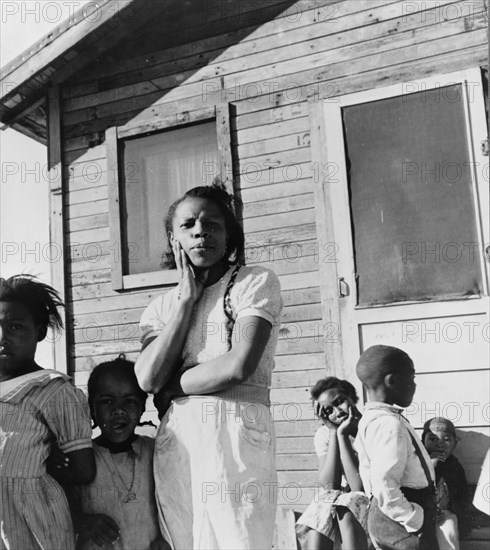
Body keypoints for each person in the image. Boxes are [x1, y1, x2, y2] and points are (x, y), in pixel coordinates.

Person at [135, 183, 283, 549]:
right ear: (174, 239)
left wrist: (172, 387)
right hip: (181, 438)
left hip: (237, 429)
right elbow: (148, 377)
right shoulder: (161, 308)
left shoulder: (254, 282)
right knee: (185, 538)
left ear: (229, 233)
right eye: (189, 225)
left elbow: (238, 365)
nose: (201, 231)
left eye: (213, 224)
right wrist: (187, 301)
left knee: (242, 538)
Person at [0, 274, 95, 550]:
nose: (3, 337)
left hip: (30, 522)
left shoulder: (53, 391)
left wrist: (40, 467)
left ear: (39, 331)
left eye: (15, 327)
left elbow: (83, 469)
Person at [69, 355, 169, 550]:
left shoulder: (156, 452)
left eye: (130, 401)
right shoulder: (81, 458)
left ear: (142, 408)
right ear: (91, 408)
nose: (119, 410)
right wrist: (84, 522)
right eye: (107, 402)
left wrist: (165, 539)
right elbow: (63, 509)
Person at [355, 345, 439, 550]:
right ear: (392, 381)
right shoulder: (389, 424)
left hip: (389, 512)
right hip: (402, 517)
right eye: (412, 377)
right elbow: (384, 482)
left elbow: (369, 475)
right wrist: (414, 519)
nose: (415, 384)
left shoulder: (371, 419)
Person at [295, 377, 369, 550]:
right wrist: (334, 432)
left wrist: (343, 436)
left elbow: (358, 486)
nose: (337, 411)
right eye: (328, 410)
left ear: (351, 396)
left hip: (370, 496)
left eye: (340, 401)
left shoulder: (368, 427)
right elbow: (329, 485)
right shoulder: (325, 434)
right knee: (323, 501)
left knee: (346, 501)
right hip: (341, 500)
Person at [422, 417, 470, 550]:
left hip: (444, 513)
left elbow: (463, 494)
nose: (440, 444)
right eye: (433, 439)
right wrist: (430, 466)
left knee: (448, 525)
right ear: (423, 442)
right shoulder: (417, 464)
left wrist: (455, 511)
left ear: (455, 444)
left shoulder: (455, 466)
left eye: (447, 439)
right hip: (420, 513)